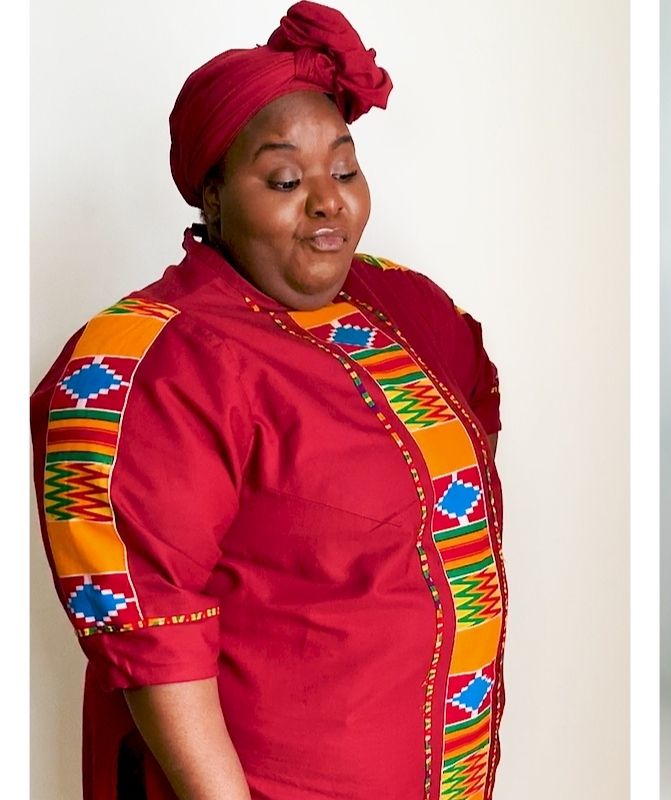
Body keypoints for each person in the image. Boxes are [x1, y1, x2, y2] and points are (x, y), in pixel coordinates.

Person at [30, 4, 508, 798]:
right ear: (211, 196)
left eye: (345, 170)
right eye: (285, 179)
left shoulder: (410, 308)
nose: (327, 201)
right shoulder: (151, 359)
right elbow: (149, 632)